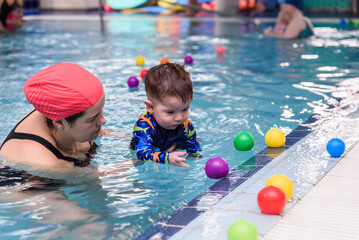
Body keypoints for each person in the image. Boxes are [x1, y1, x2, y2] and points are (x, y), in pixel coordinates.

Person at [0, 62, 114, 176]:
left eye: (101, 111)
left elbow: (101, 131)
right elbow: (95, 176)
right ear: (59, 122)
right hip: (30, 186)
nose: (103, 121)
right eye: (93, 118)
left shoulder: (59, 109)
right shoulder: (42, 161)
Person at [130, 63, 201, 168]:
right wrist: (166, 158)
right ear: (151, 107)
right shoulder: (144, 126)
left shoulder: (186, 125)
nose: (179, 118)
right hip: (148, 154)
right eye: (170, 112)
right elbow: (142, 154)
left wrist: (194, 157)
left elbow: (194, 151)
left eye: (184, 109)